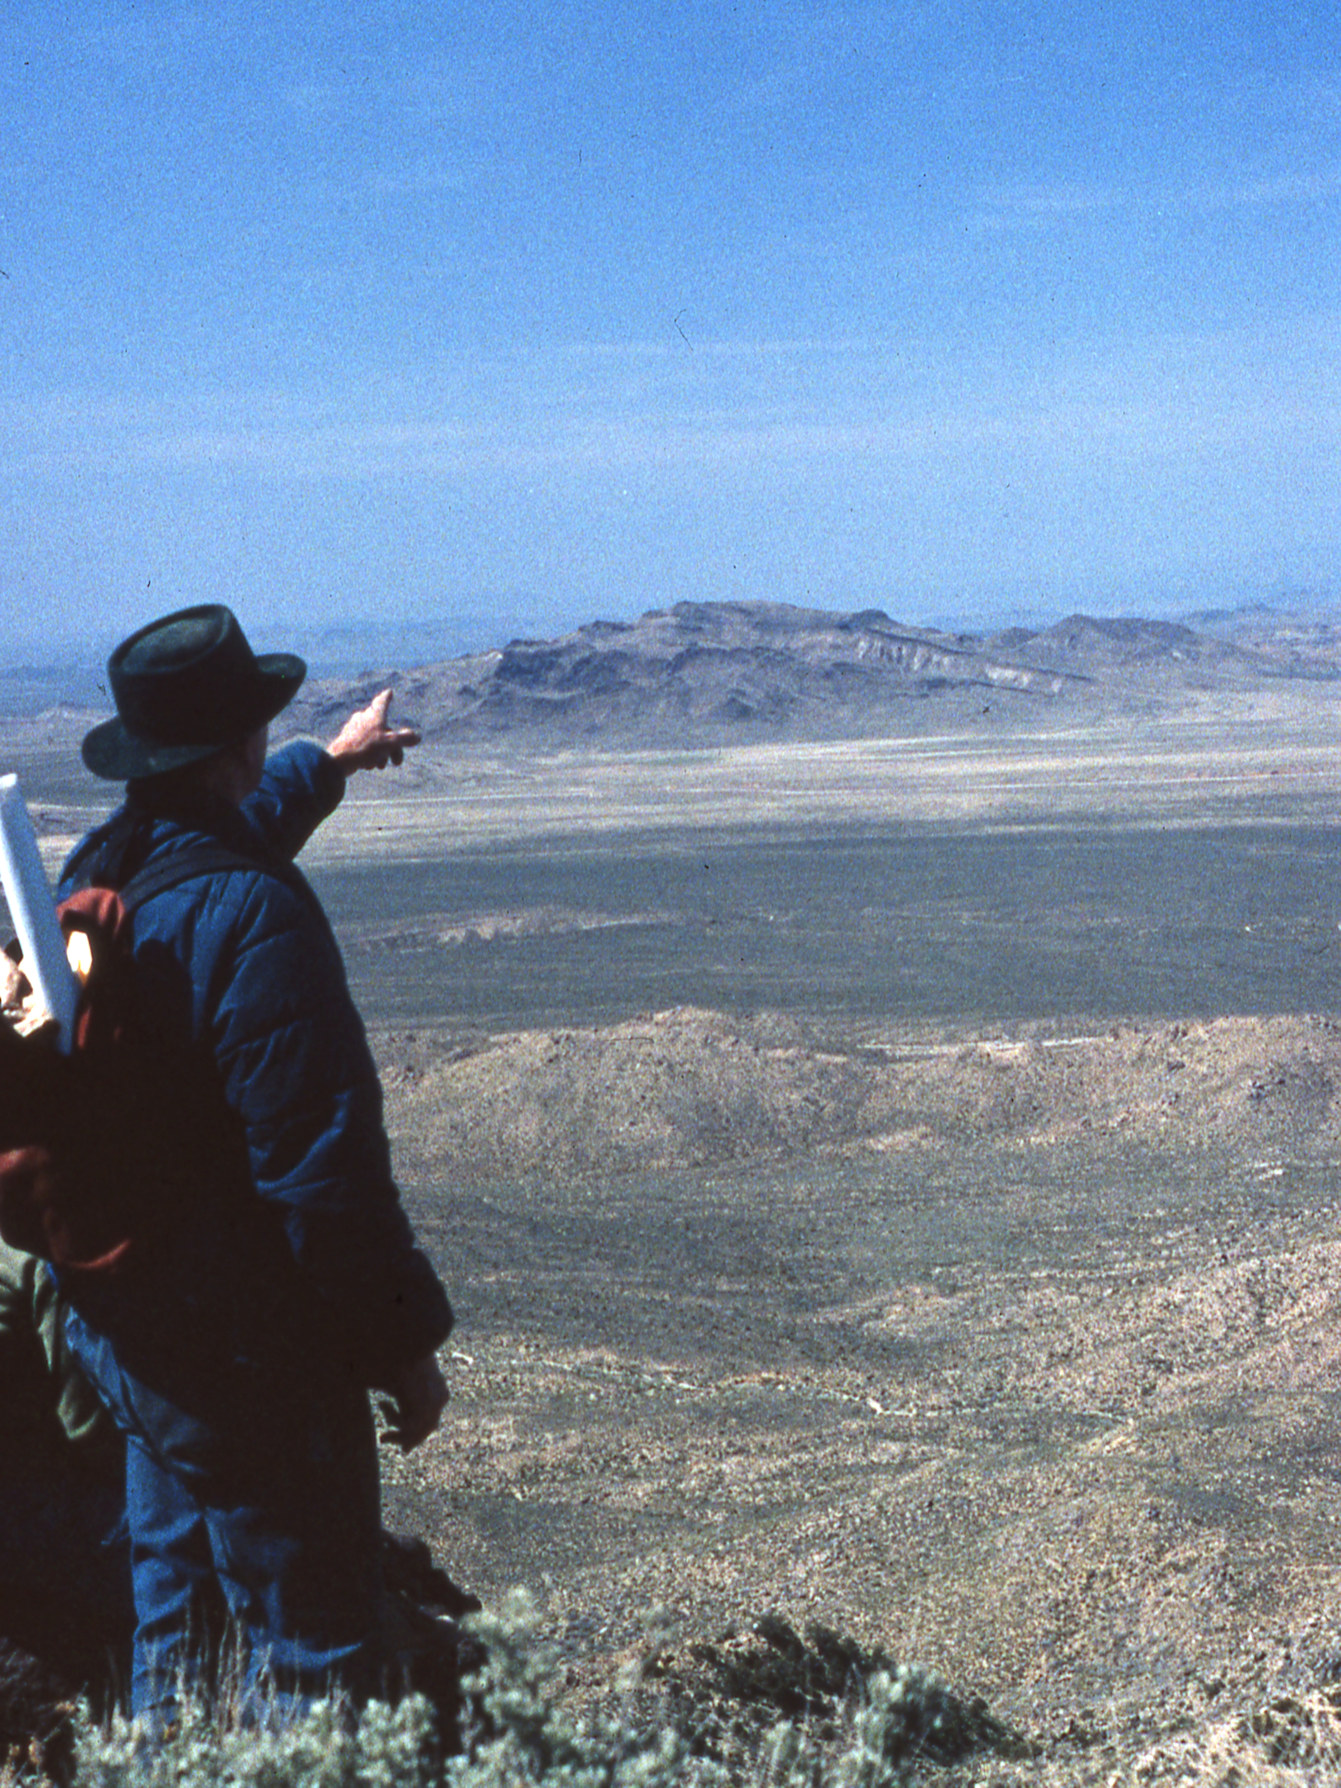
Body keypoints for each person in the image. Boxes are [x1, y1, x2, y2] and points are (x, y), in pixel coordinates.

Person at [54, 604, 455, 1723]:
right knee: (317, 1663)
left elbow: (223, 851)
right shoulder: (256, 919)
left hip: (129, 1335)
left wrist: (323, 769)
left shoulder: (109, 866)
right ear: (238, 740)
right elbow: (324, 1181)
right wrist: (404, 1348)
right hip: (240, 1355)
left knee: (174, 1639)